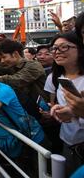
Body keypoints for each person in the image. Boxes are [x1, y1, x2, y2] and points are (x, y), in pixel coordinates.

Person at [44, 31, 84, 176]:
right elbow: (59, 103)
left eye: (64, 47)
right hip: (67, 142)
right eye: (54, 48)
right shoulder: (57, 78)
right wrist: (57, 109)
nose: (57, 52)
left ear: (79, 50)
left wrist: (75, 113)